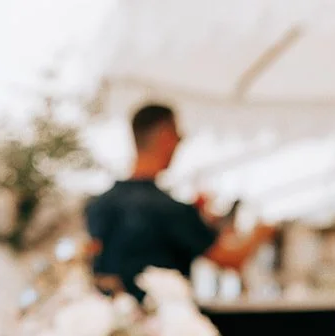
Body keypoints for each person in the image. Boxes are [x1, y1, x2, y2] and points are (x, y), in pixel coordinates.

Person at [86, 103, 274, 301]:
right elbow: (230, 259)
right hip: (163, 322)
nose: (179, 143)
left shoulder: (98, 205)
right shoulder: (171, 210)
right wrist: (261, 232)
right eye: (178, 135)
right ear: (166, 136)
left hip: (114, 320)